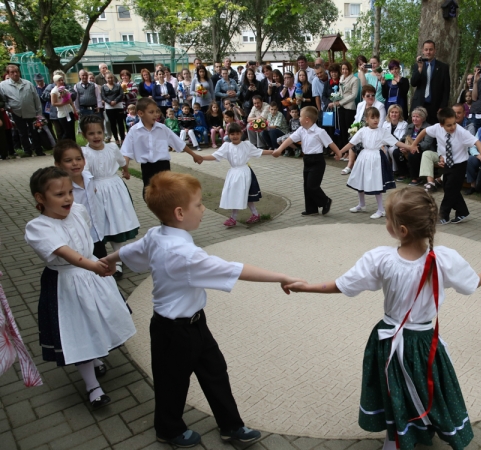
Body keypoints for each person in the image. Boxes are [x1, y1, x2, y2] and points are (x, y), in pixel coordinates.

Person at [100, 171, 298, 447]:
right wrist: (281, 277)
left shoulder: (158, 233)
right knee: (172, 382)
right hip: (172, 331)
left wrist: (110, 258)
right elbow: (234, 269)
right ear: (180, 213)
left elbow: (134, 250)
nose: (204, 208)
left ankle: (231, 426)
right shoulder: (184, 255)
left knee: (215, 371)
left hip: (194, 323)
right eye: (199, 204)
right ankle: (168, 430)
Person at [287, 187, 481, 450]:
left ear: (401, 230)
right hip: (425, 342)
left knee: (394, 388)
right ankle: (428, 425)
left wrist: (306, 287)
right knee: (430, 385)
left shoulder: (381, 259)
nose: (386, 224)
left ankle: (395, 439)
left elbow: (343, 284)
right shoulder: (445, 260)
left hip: (388, 340)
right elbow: (472, 283)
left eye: (388, 220)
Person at [25, 166, 136, 409]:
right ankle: (92, 386)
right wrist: (95, 266)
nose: (67, 198)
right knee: (77, 331)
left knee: (95, 319)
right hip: (67, 284)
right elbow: (67, 253)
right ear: (40, 198)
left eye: (69, 192)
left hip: (92, 275)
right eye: (59, 194)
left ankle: (96, 356)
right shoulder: (38, 228)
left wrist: (101, 262)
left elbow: (88, 240)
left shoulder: (78, 210)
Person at [79, 115, 140, 279]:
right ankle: (102, 257)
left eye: (99, 132)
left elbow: (121, 161)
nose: (96, 136)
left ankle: (117, 258)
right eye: (91, 134)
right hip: (96, 189)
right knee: (101, 222)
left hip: (114, 188)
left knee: (117, 220)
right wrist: (88, 185)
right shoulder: (84, 152)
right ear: (85, 135)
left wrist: (125, 171)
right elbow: (83, 171)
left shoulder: (112, 148)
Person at [412, 107, 481, 224]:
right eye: (449, 125)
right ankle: (462, 212)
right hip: (447, 163)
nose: (453, 127)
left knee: (450, 189)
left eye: (454, 123)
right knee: (450, 188)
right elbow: (423, 131)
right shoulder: (436, 128)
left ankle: (443, 215)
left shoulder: (461, 132)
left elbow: (477, 143)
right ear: (441, 124)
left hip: (460, 164)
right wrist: (414, 144)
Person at [341, 107, 414, 219]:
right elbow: (351, 143)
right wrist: (340, 152)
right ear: (366, 119)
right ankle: (361, 204)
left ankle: (381, 209)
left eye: (377, 117)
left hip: (376, 159)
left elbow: (396, 142)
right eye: (372, 117)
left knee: (376, 182)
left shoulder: (382, 132)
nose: (376, 120)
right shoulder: (362, 131)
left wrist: (409, 147)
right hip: (363, 157)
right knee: (360, 180)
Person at [121, 98, 203, 195]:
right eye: (151, 112)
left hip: (163, 167)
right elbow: (126, 152)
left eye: (156, 111)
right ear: (140, 113)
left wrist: (194, 155)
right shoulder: (134, 131)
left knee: (166, 194)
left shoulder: (162, 128)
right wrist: (125, 169)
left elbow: (179, 143)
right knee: (149, 195)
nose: (155, 114)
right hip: (147, 168)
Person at [273, 106, 342, 215]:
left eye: (300, 116)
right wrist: (280, 149)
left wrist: (339, 153)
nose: (298, 118)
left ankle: (325, 201)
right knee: (306, 186)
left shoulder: (319, 132)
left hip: (317, 160)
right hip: (307, 159)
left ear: (307, 119)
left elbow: (330, 143)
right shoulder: (301, 130)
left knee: (312, 186)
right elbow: (290, 139)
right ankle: (311, 209)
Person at [200, 122, 273, 225]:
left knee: (246, 195)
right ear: (228, 135)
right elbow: (215, 155)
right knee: (235, 194)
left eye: (237, 134)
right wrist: (202, 158)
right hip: (234, 174)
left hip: (245, 173)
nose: (235, 136)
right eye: (232, 134)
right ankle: (237, 217)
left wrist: (272, 152)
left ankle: (247, 216)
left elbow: (259, 151)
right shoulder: (226, 146)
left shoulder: (246, 145)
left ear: (241, 134)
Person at [53, 140, 106, 261]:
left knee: (103, 268)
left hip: (96, 234)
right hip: (77, 239)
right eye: (68, 161)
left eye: (78, 159)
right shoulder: (61, 188)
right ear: (58, 164)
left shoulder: (89, 178)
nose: (75, 163)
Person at [0, 64, 45, 156]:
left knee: (35, 132)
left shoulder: (28, 83)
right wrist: (8, 108)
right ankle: (27, 151)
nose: (15, 74)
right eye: (12, 72)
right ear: (8, 73)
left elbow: (36, 98)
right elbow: (3, 100)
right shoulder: (3, 85)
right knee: (22, 133)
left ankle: (38, 150)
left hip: (31, 112)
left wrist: (39, 113)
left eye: (17, 71)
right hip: (17, 113)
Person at [410, 40, 451, 125]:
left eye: (431, 49)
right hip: (419, 104)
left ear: (435, 50)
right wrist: (420, 69)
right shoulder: (417, 65)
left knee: (432, 131)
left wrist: (442, 107)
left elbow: (446, 89)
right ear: (423, 51)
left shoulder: (443, 67)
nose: (428, 52)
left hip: (435, 105)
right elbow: (413, 83)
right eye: (426, 49)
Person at [400, 107, 435, 187]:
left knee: (413, 154)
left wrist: (416, 146)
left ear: (423, 118)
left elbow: (427, 143)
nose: (414, 119)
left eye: (417, 117)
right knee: (396, 152)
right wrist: (403, 146)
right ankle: (404, 174)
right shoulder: (410, 126)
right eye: (413, 116)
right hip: (409, 146)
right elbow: (403, 137)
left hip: (423, 149)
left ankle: (415, 178)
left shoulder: (428, 128)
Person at [335, 61, 359, 148]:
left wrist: (341, 102)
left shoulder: (354, 79)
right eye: (343, 69)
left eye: (346, 69)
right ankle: (344, 150)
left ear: (349, 69)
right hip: (340, 107)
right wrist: (336, 99)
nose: (344, 71)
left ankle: (350, 150)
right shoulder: (341, 78)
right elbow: (341, 92)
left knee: (349, 129)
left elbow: (354, 95)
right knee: (343, 129)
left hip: (349, 107)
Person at [382, 104, 408, 176]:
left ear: (399, 114)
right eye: (392, 112)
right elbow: (382, 137)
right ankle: (385, 170)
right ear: (389, 113)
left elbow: (401, 138)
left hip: (397, 144)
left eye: (396, 112)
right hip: (386, 144)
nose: (394, 114)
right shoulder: (385, 123)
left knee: (391, 150)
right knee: (383, 150)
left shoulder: (404, 124)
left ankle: (395, 170)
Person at [50, 74, 78, 142]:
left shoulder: (65, 90)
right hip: (62, 113)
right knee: (67, 131)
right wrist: (63, 103)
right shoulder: (54, 91)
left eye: (62, 80)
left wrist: (74, 111)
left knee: (72, 130)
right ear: (55, 82)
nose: (61, 81)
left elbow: (70, 101)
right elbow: (53, 103)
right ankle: (62, 143)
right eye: (59, 80)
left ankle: (73, 144)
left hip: (69, 111)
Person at [101, 74, 126, 145]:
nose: (110, 79)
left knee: (120, 123)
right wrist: (110, 102)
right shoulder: (103, 87)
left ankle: (122, 139)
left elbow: (121, 94)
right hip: (109, 107)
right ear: (106, 78)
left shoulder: (118, 86)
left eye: (111, 77)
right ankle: (116, 139)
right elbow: (103, 96)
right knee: (112, 123)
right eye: (108, 78)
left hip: (118, 106)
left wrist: (115, 101)